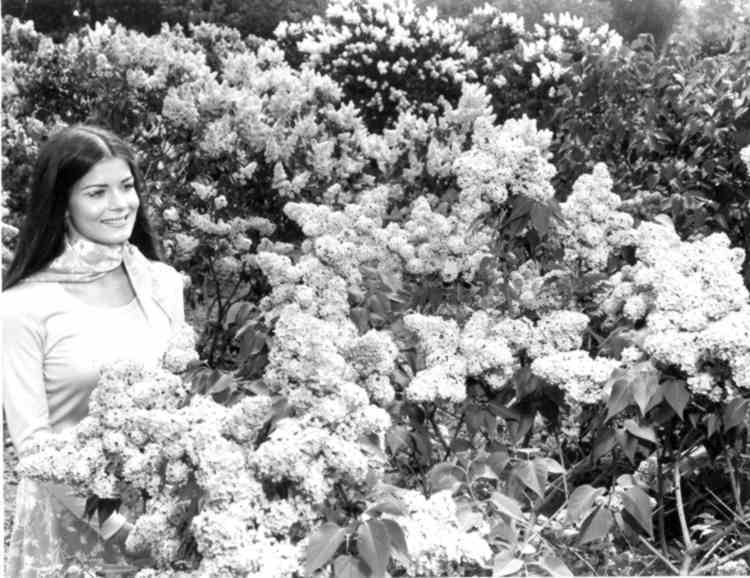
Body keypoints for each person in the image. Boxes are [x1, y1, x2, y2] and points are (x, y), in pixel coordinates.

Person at [2, 124, 187, 576]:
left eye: (126, 186)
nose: (120, 204)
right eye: (97, 193)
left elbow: (185, 399)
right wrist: (118, 528)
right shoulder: (22, 308)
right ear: (61, 203)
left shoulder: (161, 284)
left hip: (163, 513)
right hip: (72, 526)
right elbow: (36, 448)